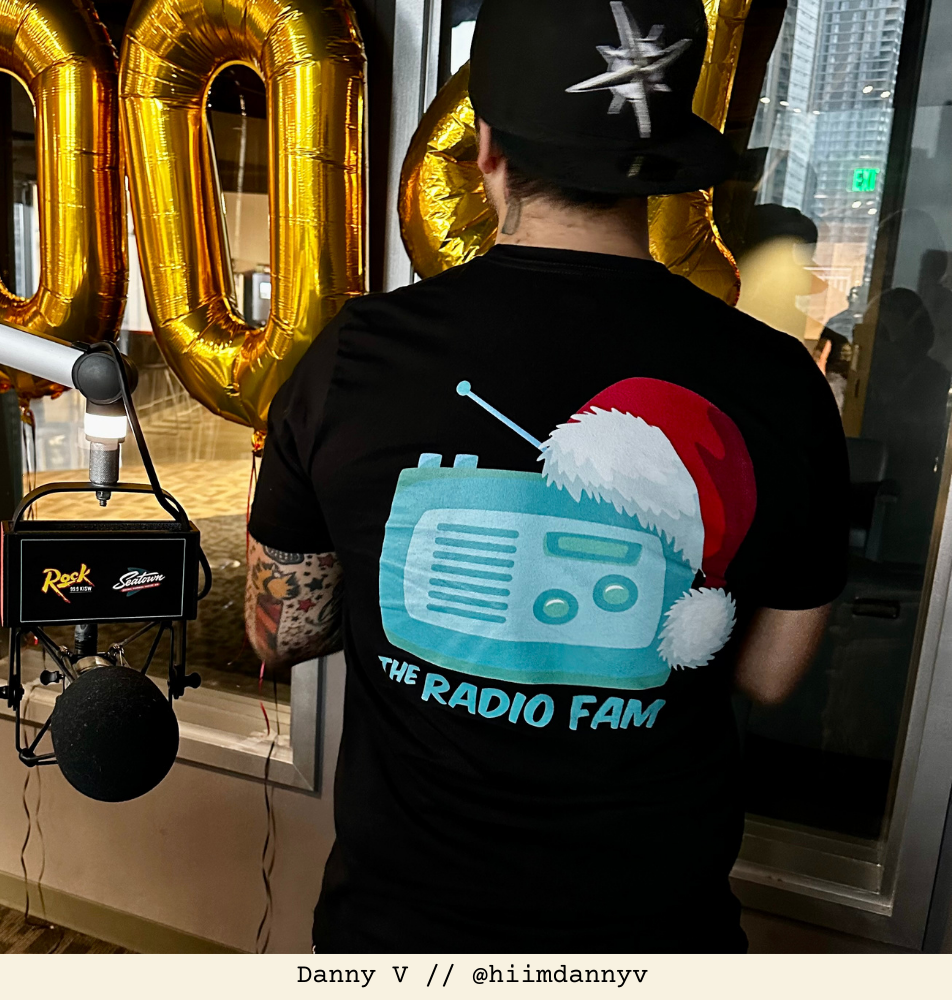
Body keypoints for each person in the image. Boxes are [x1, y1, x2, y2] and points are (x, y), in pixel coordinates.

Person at [245, 0, 848, 953]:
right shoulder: (780, 385)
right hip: (661, 933)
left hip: (403, 931)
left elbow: (286, 630)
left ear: (485, 148)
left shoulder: (356, 359)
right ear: (663, 167)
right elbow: (771, 675)